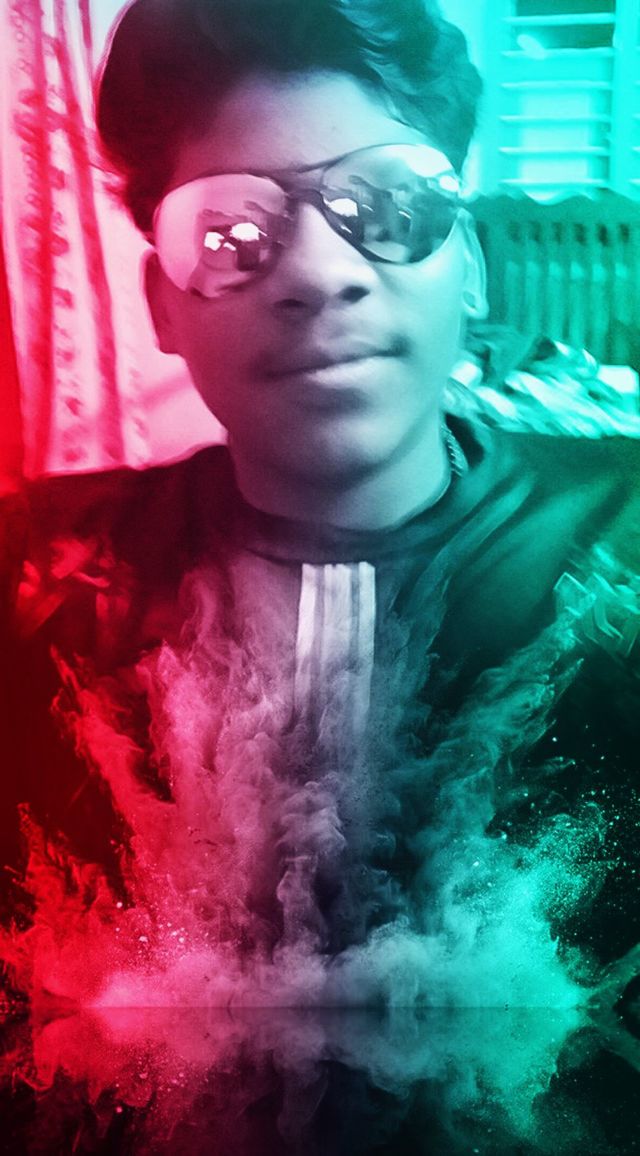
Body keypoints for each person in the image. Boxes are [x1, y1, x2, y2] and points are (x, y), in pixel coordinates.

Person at [2, 0, 640, 1013]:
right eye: (231, 231)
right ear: (162, 305)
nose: (318, 271)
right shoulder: (40, 579)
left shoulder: (621, 549)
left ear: (469, 267)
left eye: (389, 204)